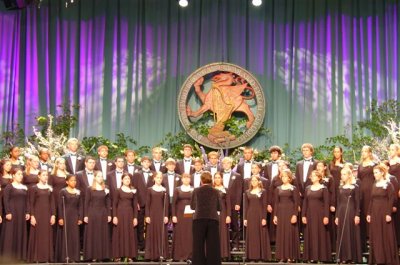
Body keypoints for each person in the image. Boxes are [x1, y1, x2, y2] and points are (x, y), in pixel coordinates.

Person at [367, 164, 399, 265]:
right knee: (376, 235)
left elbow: (391, 199)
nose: (374, 174)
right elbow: (371, 200)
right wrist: (369, 213)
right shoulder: (374, 184)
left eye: (376, 172)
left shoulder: (388, 184)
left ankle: (388, 259)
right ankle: (378, 258)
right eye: (374, 173)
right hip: (375, 212)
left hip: (384, 211)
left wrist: (388, 213)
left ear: (382, 173)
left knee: (386, 234)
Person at [191, 171, 221, 265]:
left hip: (199, 219)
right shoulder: (216, 191)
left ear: (201, 180)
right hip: (212, 219)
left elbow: (192, 206)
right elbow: (219, 207)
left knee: (198, 244)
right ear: (211, 180)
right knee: (213, 245)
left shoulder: (196, 190)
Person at [0, 167, 29, 262]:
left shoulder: (24, 187)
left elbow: (27, 201)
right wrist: (7, 212)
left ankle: (19, 256)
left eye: (21, 174)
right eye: (18, 174)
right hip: (12, 213)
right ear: (13, 175)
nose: (21, 176)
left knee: (20, 232)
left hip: (21, 213)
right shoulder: (9, 187)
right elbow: (5, 200)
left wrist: (27, 212)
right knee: (10, 233)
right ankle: (8, 256)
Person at [302, 170, 331, 262]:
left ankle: (322, 257)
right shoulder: (308, 188)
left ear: (319, 177)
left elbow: (326, 203)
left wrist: (326, 216)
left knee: (320, 234)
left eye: (314, 176)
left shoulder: (323, 188)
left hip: (320, 214)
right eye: (312, 176)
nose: (312, 177)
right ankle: (312, 257)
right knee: (310, 234)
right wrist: (303, 215)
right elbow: (305, 203)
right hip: (310, 214)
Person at [27, 170, 56, 262]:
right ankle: (37, 257)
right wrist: (32, 215)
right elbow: (30, 203)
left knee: (47, 235)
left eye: (46, 175)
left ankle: (46, 257)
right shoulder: (34, 188)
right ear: (39, 176)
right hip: (37, 214)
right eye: (43, 175)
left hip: (47, 214)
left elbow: (52, 203)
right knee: (37, 235)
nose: (45, 177)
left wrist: (53, 215)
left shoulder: (49, 188)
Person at [335, 167, 362, 263]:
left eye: (344, 174)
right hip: (342, 212)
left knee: (351, 232)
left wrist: (357, 215)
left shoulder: (355, 187)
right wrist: (337, 216)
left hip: (351, 211)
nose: (342, 176)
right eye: (341, 174)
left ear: (349, 175)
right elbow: (338, 203)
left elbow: (358, 202)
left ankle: (352, 257)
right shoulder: (340, 187)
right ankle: (343, 257)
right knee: (343, 233)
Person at [83, 171, 112, 261]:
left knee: (102, 233)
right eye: (98, 176)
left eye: (101, 176)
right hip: (92, 213)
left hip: (103, 213)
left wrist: (109, 215)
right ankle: (92, 256)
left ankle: (102, 256)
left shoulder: (106, 188)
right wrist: (85, 215)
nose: (100, 178)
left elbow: (108, 202)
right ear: (95, 177)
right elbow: (86, 202)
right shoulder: (90, 188)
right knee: (93, 234)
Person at [273, 169, 300, 263]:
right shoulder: (278, 189)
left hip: (290, 212)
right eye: (282, 176)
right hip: (280, 213)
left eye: (285, 176)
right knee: (281, 234)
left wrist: (295, 215)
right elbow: (276, 203)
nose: (284, 178)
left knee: (289, 233)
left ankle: (290, 256)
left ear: (289, 178)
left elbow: (296, 203)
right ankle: (282, 256)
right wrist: (275, 215)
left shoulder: (293, 188)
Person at [56, 175, 83, 262]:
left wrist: (80, 217)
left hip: (75, 215)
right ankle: (65, 257)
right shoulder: (63, 191)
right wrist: (60, 217)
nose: (74, 182)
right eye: (71, 180)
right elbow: (60, 206)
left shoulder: (78, 192)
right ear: (67, 182)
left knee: (74, 235)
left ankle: (74, 257)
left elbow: (80, 205)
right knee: (66, 235)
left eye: (75, 180)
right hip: (65, 215)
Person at [243, 176, 271, 261]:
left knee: (260, 234)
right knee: (252, 235)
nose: (253, 182)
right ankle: (252, 256)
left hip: (260, 215)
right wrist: (245, 218)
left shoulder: (263, 191)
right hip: (250, 215)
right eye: (252, 181)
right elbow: (246, 206)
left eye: (255, 180)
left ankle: (261, 256)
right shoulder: (247, 192)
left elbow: (264, 205)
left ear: (259, 181)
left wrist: (264, 218)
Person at [111, 173, 138, 261]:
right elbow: (114, 204)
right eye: (125, 178)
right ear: (122, 180)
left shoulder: (133, 190)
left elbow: (134, 205)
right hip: (120, 213)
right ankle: (118, 255)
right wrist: (114, 216)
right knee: (119, 233)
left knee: (129, 233)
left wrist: (135, 217)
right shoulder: (118, 190)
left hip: (130, 214)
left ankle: (129, 255)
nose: (127, 180)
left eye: (128, 179)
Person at [144, 171, 169, 261]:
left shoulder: (164, 190)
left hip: (161, 214)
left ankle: (161, 254)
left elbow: (166, 205)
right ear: (154, 178)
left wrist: (166, 215)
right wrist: (147, 216)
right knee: (152, 233)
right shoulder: (150, 189)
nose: (159, 179)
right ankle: (151, 255)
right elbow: (147, 204)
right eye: (157, 177)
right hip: (152, 214)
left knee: (161, 233)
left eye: (160, 178)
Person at [357, 145, 376, 251]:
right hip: (362, 192)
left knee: (370, 211)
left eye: (365, 151)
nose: (363, 153)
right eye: (362, 151)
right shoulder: (360, 166)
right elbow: (358, 179)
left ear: (370, 153)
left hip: (371, 191)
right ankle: (364, 238)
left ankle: (371, 236)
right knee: (363, 212)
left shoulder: (374, 165)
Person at [171, 173, 193, 261]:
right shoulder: (177, 189)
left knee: (189, 234)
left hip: (190, 215)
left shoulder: (193, 189)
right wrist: (173, 215)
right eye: (185, 178)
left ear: (190, 179)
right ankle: (179, 255)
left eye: (188, 178)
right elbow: (173, 204)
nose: (186, 179)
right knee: (180, 234)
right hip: (179, 215)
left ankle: (189, 255)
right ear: (182, 179)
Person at [213, 172, 231, 260]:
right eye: (215, 178)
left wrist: (228, 216)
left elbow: (228, 203)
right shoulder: (211, 189)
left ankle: (223, 254)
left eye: (219, 177)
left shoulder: (226, 189)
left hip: (223, 213)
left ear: (222, 179)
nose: (217, 179)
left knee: (223, 232)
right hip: (213, 213)